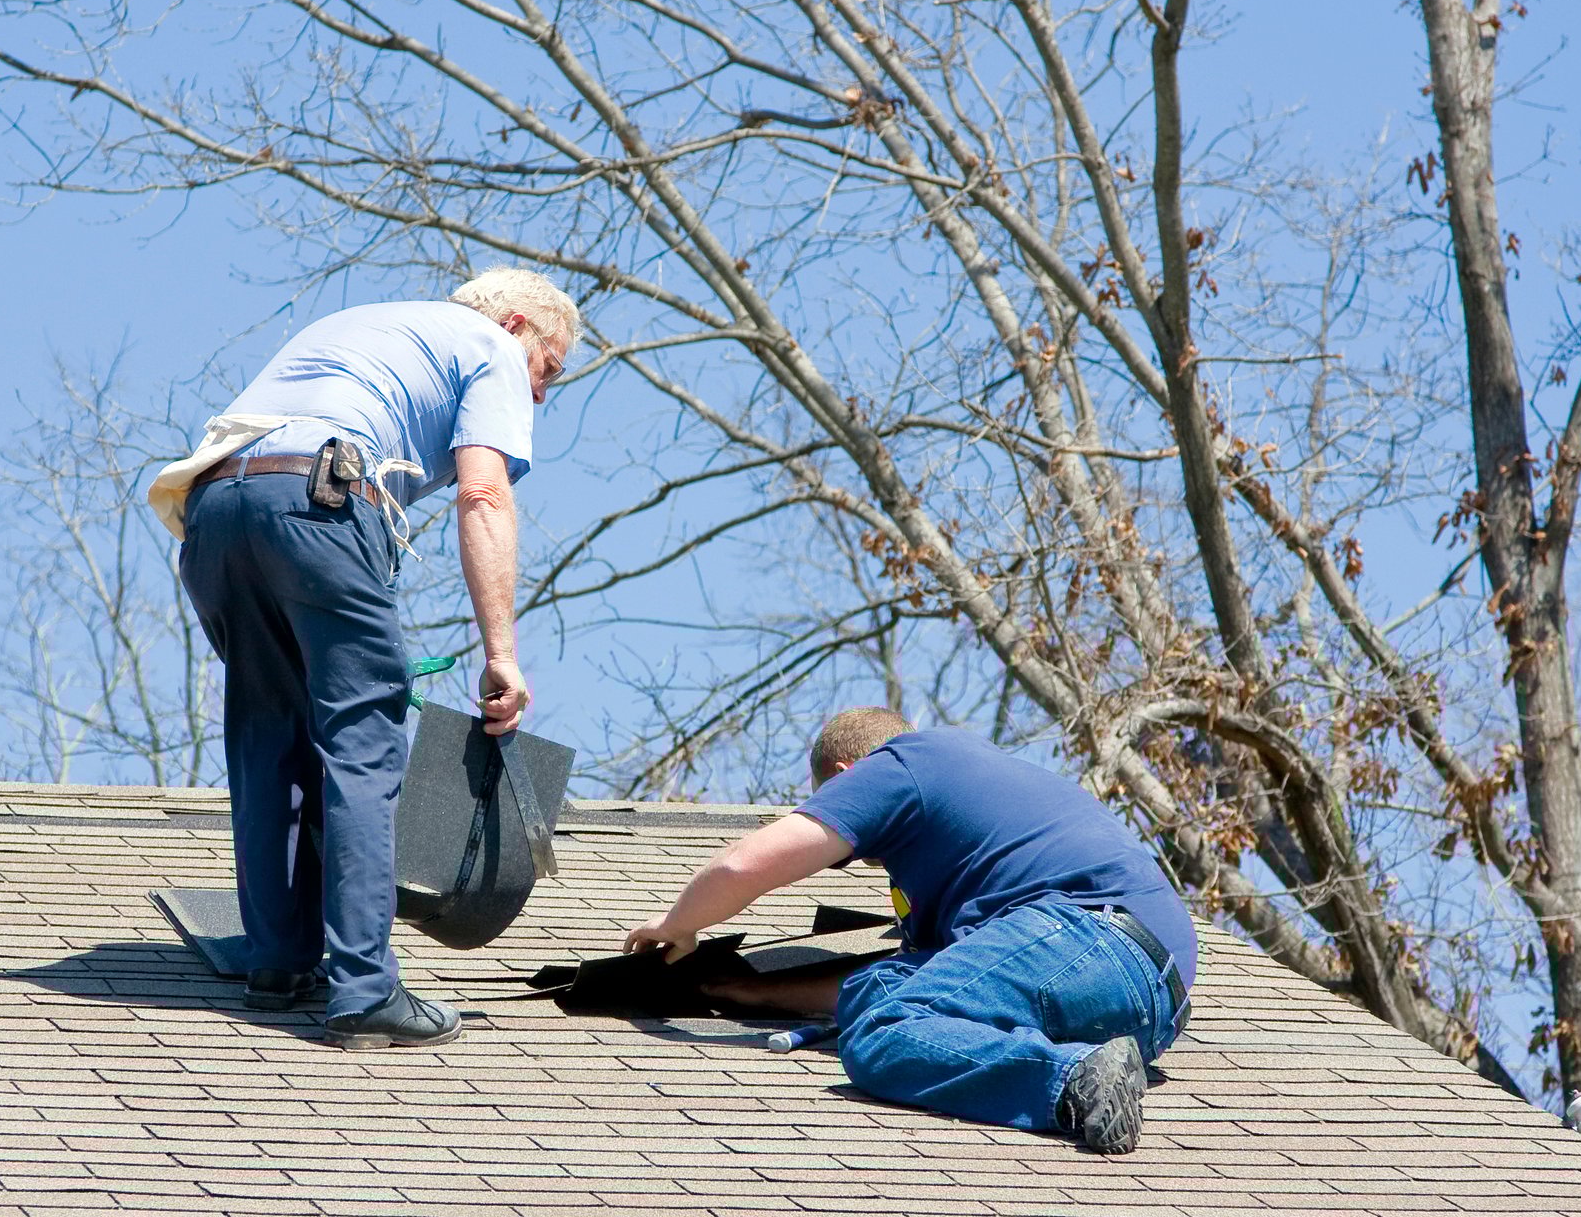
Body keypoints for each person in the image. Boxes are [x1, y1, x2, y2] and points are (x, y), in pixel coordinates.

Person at [150, 269, 577, 1050]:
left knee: (266, 735)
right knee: (362, 743)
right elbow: (483, 494)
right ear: (518, 325)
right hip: (320, 500)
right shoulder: (489, 346)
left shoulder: (368, 326)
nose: (541, 394)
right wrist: (501, 655)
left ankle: (278, 963)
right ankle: (365, 990)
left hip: (214, 510)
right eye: (549, 369)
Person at [624, 707, 1197, 1153]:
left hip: (1087, 937)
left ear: (847, 777)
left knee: (879, 1034)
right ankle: (1094, 1066)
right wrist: (754, 994)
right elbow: (916, 984)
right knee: (884, 991)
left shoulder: (901, 763)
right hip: (1147, 1008)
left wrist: (677, 924)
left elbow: (744, 865)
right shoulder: (978, 820)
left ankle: (1071, 1077)